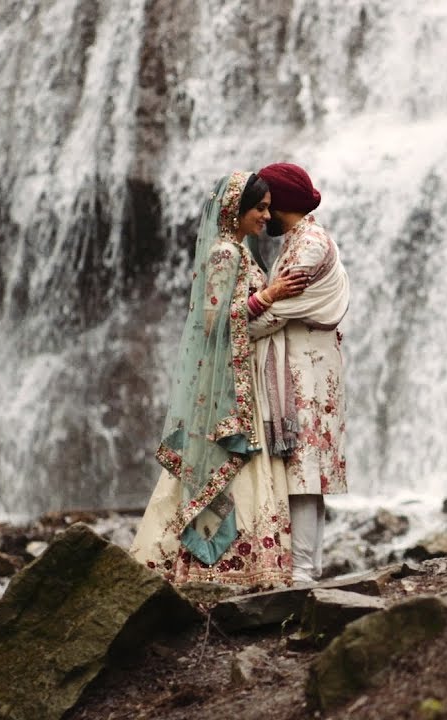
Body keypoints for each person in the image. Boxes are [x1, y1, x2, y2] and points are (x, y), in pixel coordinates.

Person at [131, 171, 309, 588]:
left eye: (268, 208)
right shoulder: (225, 253)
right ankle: (216, 570)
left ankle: (243, 567)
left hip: (243, 378)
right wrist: (269, 296)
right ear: (235, 210)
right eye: (260, 208)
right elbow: (212, 323)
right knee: (227, 465)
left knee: (243, 468)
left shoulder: (242, 252)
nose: (267, 216)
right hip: (227, 382)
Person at [249, 162, 350, 583]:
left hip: (308, 370)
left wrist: (231, 325)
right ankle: (308, 565)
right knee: (307, 463)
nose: (264, 214)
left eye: (269, 204)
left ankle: (304, 571)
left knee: (305, 466)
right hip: (304, 365)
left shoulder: (308, 246)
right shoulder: (299, 239)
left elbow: (268, 319)